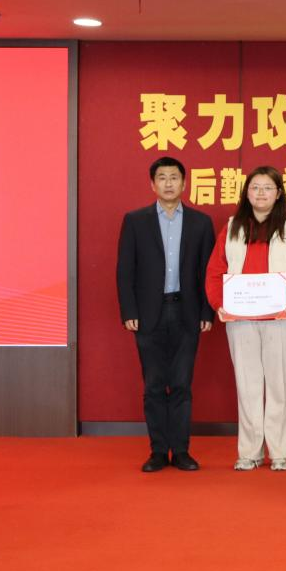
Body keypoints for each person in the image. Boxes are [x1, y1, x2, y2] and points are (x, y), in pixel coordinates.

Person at [205, 166, 286, 471]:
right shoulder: (232, 227)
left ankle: (279, 452)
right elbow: (215, 270)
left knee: (280, 386)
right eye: (255, 187)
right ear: (246, 193)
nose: (261, 193)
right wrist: (219, 303)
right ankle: (249, 452)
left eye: (267, 187)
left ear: (278, 193)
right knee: (248, 385)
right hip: (241, 319)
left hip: (281, 317)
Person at [116, 157, 215, 472]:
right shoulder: (135, 221)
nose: (169, 183)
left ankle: (181, 451)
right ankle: (158, 451)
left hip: (187, 312)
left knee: (182, 384)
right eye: (162, 177)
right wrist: (129, 310)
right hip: (148, 314)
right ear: (152, 184)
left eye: (174, 177)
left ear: (184, 183)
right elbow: (125, 271)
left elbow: (208, 271)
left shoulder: (201, 223)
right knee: (154, 384)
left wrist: (207, 311)